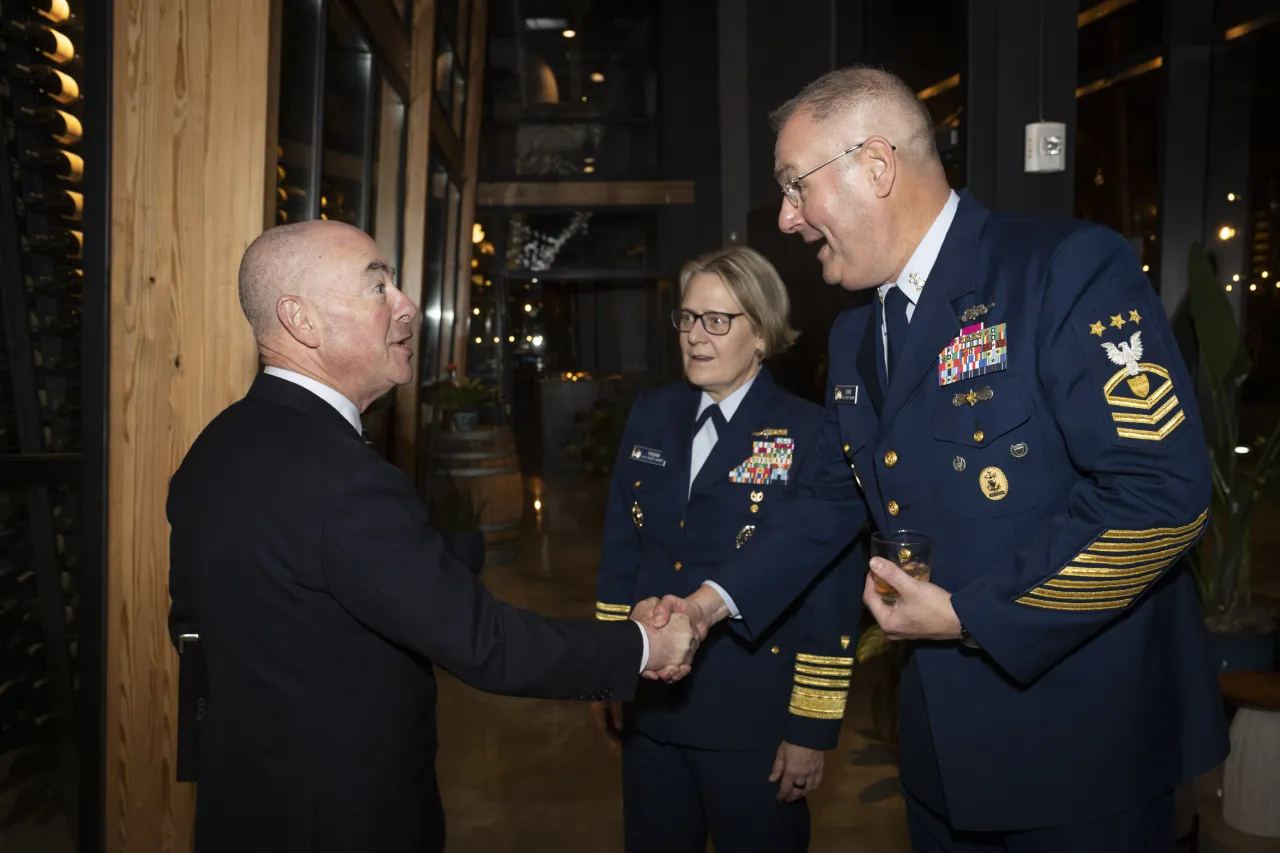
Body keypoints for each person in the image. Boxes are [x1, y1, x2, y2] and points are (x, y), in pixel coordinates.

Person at [652, 66, 1228, 851]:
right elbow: (826, 504)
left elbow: (1162, 496)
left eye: (796, 186)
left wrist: (970, 616)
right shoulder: (857, 336)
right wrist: (708, 602)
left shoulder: (1062, 269)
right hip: (941, 760)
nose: (787, 219)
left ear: (876, 166)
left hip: (1082, 752)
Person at [166, 220, 697, 853]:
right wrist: (641, 649)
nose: (406, 305)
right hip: (344, 818)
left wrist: (449, 557)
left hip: (246, 804)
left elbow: (209, 620)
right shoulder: (347, 483)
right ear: (301, 321)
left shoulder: (217, 446)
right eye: (377, 287)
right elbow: (489, 649)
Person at [591, 246, 862, 853]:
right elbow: (620, 554)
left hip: (753, 723)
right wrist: (608, 668)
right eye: (687, 318)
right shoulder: (652, 413)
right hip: (653, 711)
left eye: (718, 321)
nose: (695, 336)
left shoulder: (809, 433)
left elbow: (829, 589)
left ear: (761, 334)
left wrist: (810, 727)